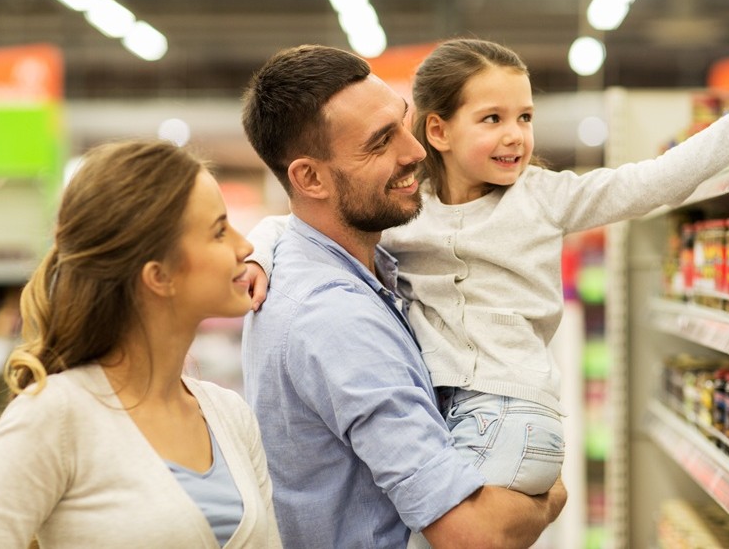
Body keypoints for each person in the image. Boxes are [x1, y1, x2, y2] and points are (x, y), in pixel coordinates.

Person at [245, 37, 729, 528]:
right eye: (492, 118)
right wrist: (259, 255)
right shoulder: (409, 210)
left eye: (525, 117)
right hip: (454, 410)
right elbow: (294, 223)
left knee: (455, 531)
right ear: (439, 132)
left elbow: (651, 182)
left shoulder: (543, 198)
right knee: (452, 526)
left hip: (510, 411)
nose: (514, 135)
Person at [240, 44, 568, 549]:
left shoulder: (344, 267)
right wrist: (550, 496)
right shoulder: (335, 317)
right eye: (380, 142)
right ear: (310, 178)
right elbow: (472, 535)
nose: (415, 150)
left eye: (401, 122)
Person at [0, 140, 282, 548]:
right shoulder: (52, 416)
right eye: (219, 231)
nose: (245, 246)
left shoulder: (230, 415)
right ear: (158, 276)